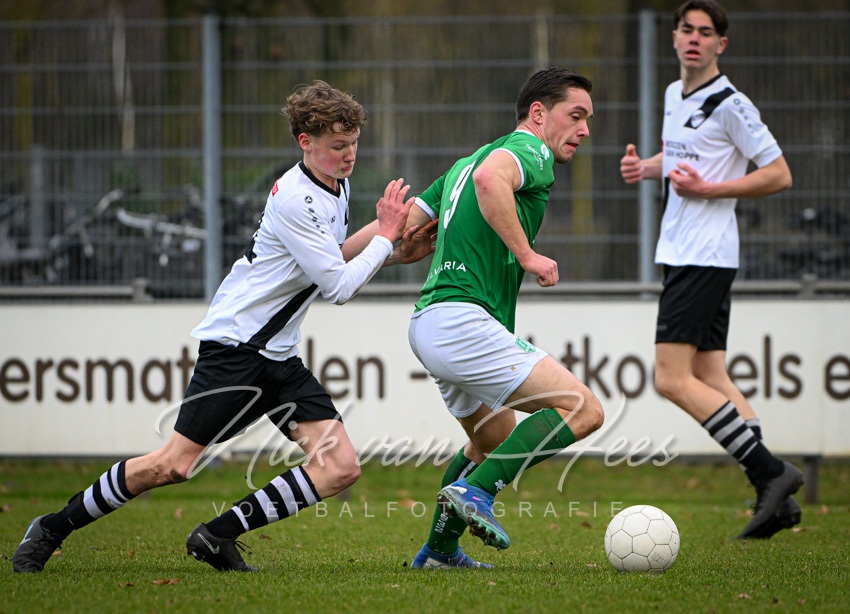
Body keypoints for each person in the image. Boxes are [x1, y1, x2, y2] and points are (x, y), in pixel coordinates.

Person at [12, 80, 436, 573]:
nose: (350, 155)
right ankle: (51, 527)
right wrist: (386, 237)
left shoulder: (333, 184)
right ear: (306, 141)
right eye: (339, 145)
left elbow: (330, 259)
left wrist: (393, 249)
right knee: (172, 465)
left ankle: (217, 536)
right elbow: (338, 287)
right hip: (237, 348)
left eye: (354, 143)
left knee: (339, 467)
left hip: (277, 355)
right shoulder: (296, 199)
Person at [400, 67, 605, 569]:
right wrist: (528, 255)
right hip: (462, 322)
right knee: (583, 409)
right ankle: (477, 493)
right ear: (538, 114)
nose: (584, 130)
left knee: (491, 440)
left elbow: (399, 231)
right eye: (575, 116)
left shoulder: (463, 164)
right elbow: (493, 179)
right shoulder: (530, 149)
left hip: (429, 320)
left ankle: (440, 551)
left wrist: (335, 262)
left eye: (587, 120)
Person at [618, 0, 802, 540]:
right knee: (711, 374)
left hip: (704, 253)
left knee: (670, 378)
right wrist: (647, 168)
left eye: (705, 32)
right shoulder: (675, 94)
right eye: (686, 29)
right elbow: (686, 159)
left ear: (721, 44)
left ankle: (771, 474)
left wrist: (712, 190)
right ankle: (777, 500)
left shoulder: (732, 104)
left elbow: (779, 174)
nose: (694, 38)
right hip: (687, 252)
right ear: (674, 38)